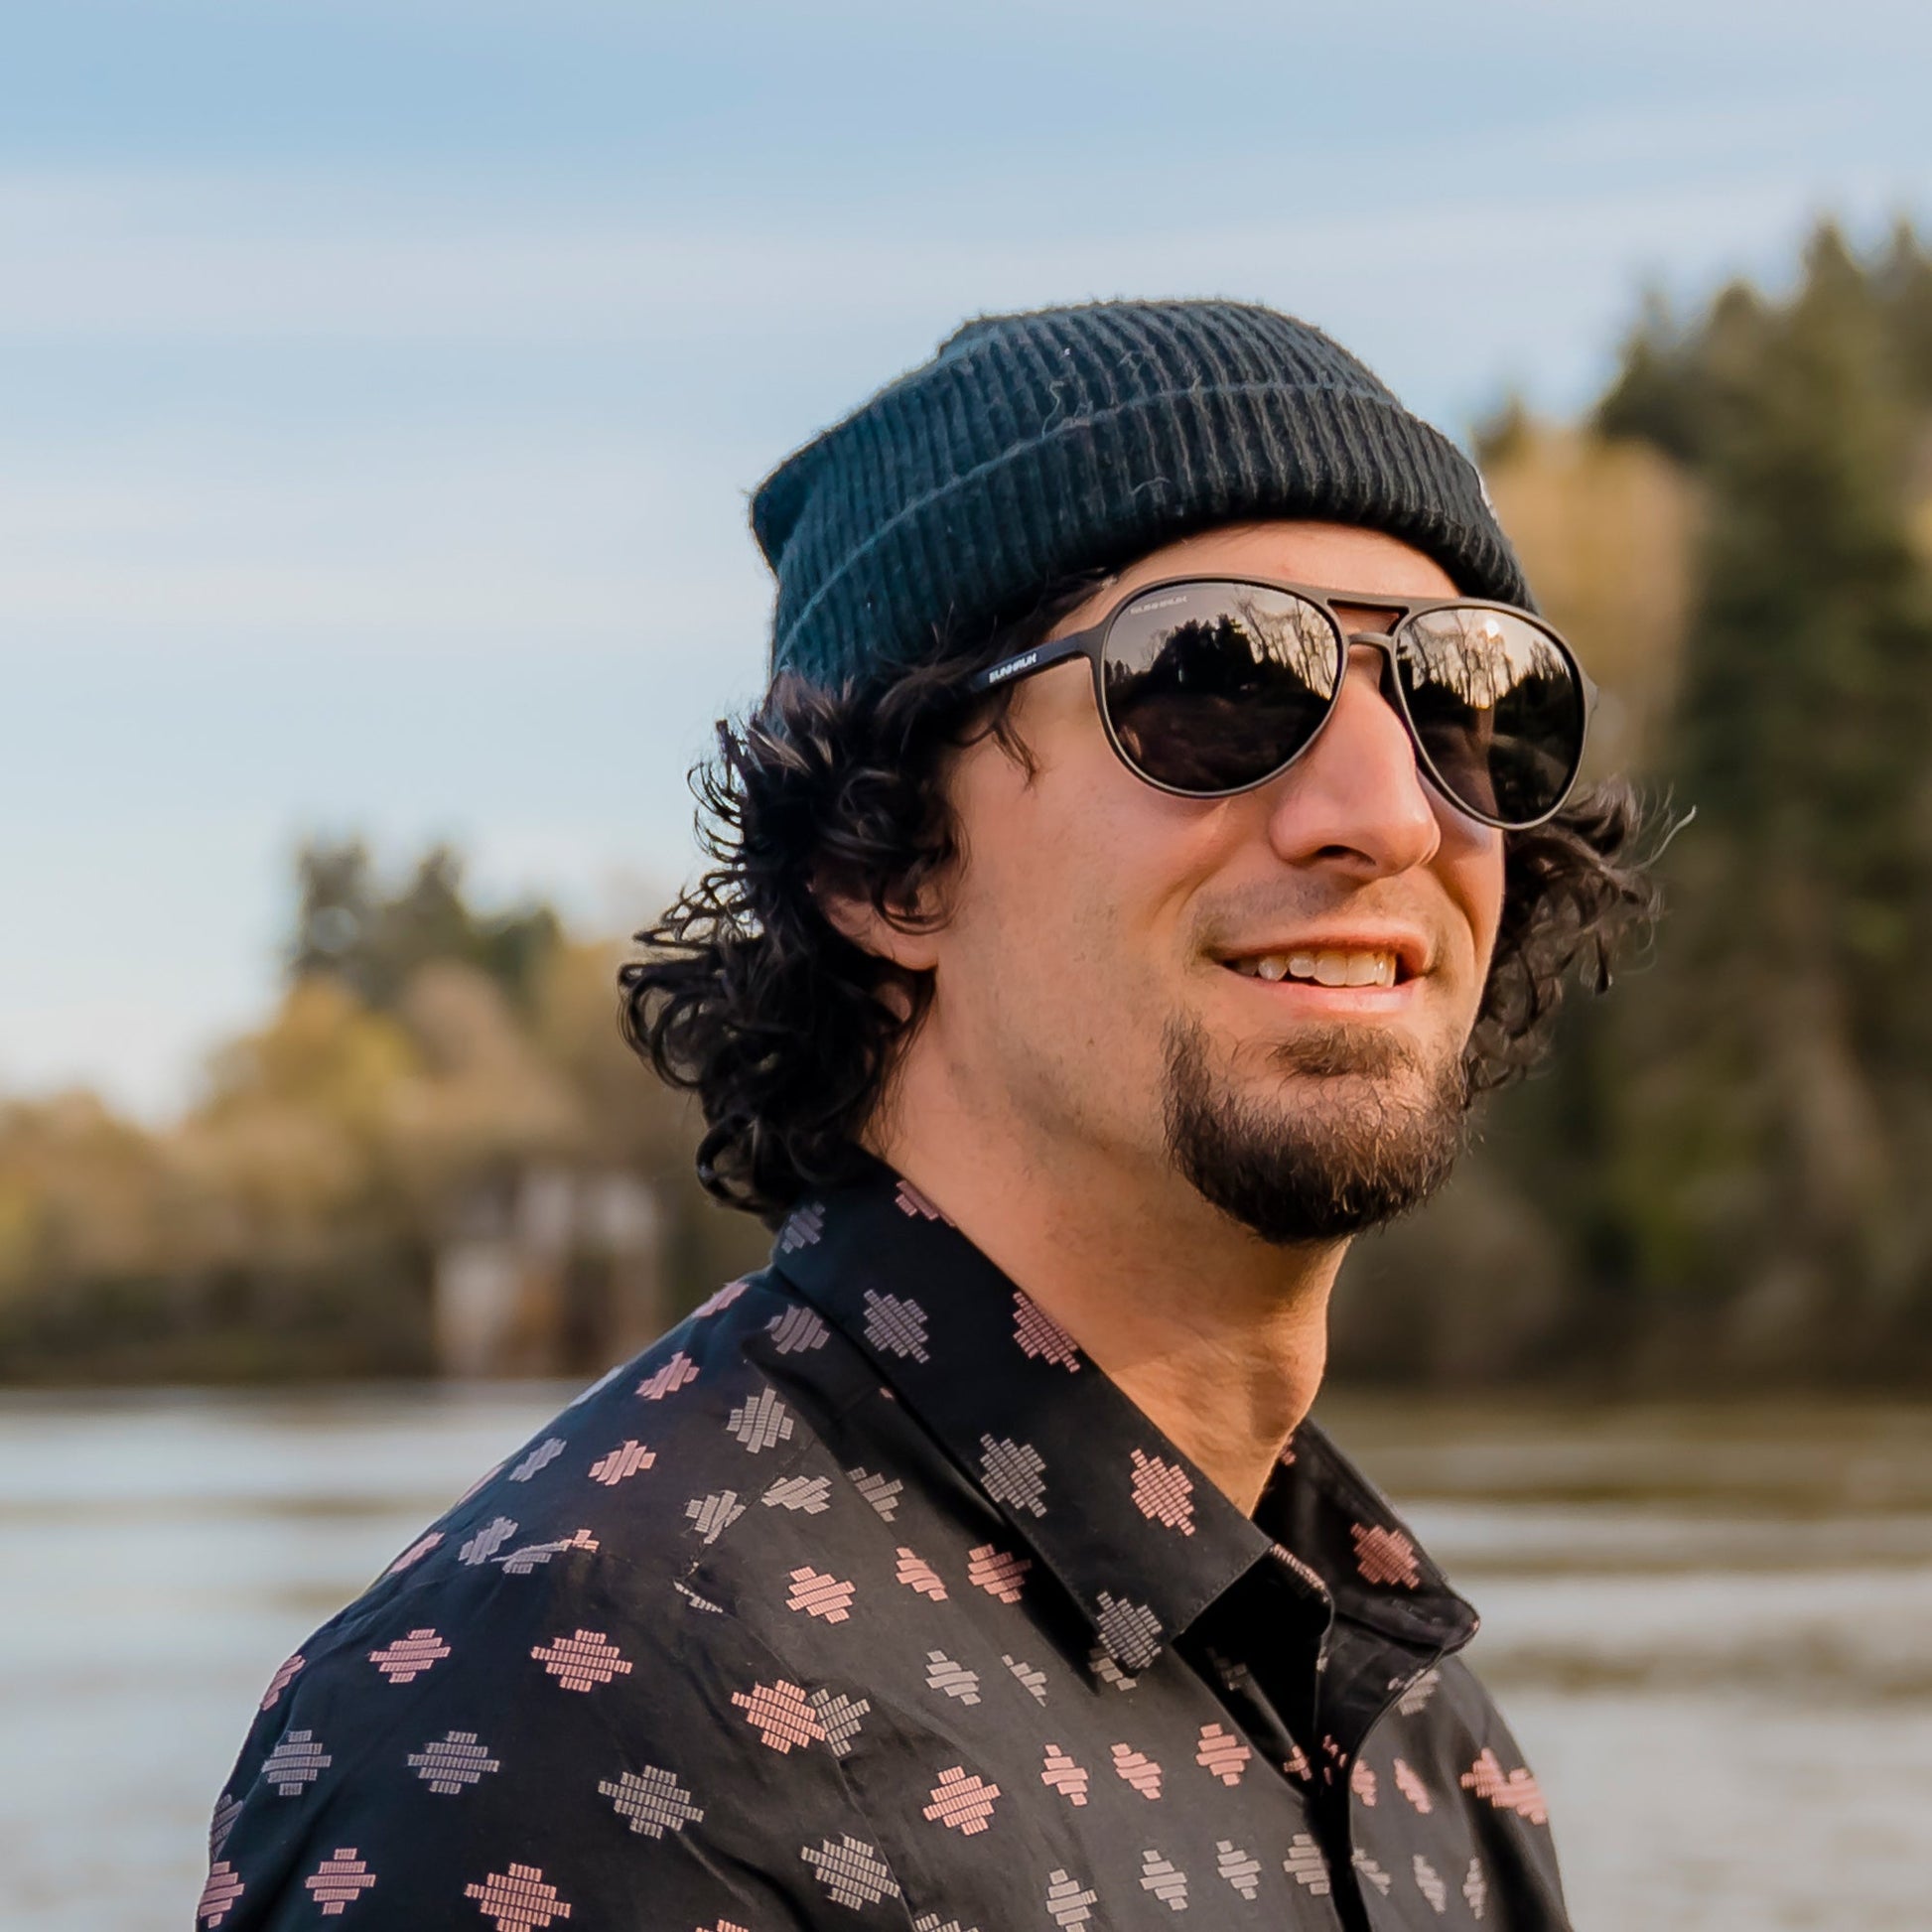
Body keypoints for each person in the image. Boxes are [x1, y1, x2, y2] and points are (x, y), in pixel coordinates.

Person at [200, 300, 1652, 1932]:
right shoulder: (566, 1710)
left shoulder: (1422, 1744)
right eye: (1218, 681)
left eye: (1456, 701)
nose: (1389, 810)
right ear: (881, 860)